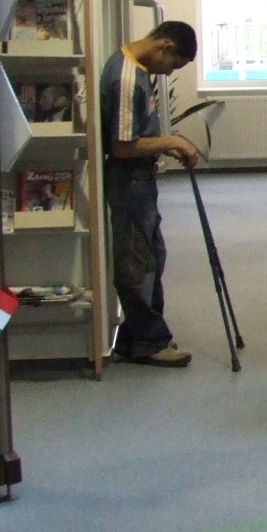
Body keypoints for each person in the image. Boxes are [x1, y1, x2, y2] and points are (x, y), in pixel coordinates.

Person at [102, 21, 200, 366]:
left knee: (152, 255)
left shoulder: (139, 71)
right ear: (165, 46)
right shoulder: (127, 78)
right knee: (136, 263)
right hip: (129, 181)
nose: (170, 71)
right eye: (174, 64)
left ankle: (134, 337)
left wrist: (164, 146)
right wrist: (172, 141)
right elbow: (123, 146)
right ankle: (150, 340)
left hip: (140, 179)